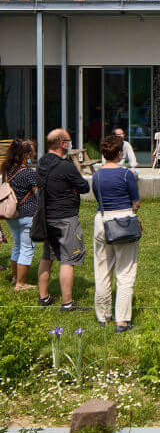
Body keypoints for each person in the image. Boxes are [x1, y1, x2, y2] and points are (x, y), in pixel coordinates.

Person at [36, 128, 90, 311]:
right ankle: (67, 303)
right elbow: (84, 186)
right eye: (68, 141)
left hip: (47, 218)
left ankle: (44, 298)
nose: (70, 144)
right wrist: (71, 187)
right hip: (66, 218)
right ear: (61, 143)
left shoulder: (41, 163)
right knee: (68, 260)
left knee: (47, 257)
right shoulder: (65, 166)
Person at [92, 133, 141, 331]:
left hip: (102, 220)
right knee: (125, 272)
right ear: (119, 153)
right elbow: (135, 201)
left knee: (102, 270)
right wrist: (133, 212)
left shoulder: (96, 175)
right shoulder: (126, 174)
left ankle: (104, 316)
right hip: (124, 219)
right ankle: (122, 320)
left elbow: (98, 198)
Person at [0, 138, 38, 290]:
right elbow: (38, 194)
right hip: (27, 215)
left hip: (12, 215)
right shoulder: (29, 172)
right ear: (26, 154)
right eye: (32, 151)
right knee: (27, 248)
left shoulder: (7, 171)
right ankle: (21, 284)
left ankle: (15, 277)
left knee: (17, 246)